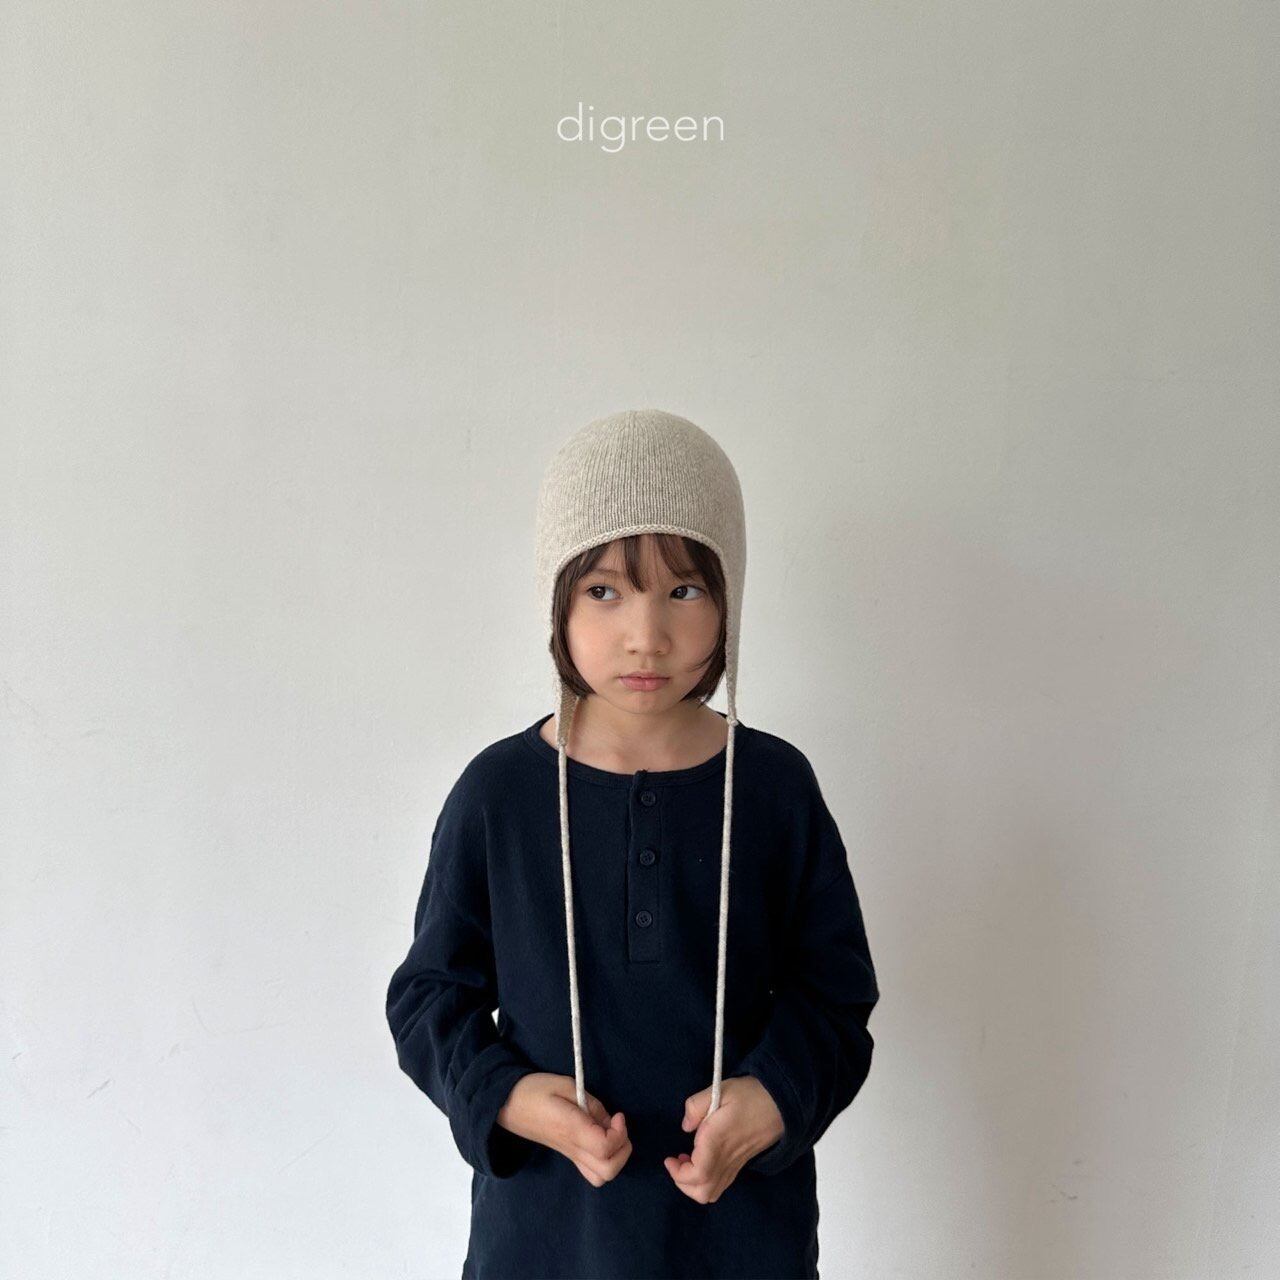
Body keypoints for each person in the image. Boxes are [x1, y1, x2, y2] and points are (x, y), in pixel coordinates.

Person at [386, 409, 880, 1279]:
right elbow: (429, 996)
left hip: (741, 1240)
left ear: (728, 601)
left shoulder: (774, 788)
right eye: (604, 591)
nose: (646, 634)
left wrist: (774, 1098)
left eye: (684, 590)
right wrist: (508, 1097)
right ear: (557, 601)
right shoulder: (499, 796)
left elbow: (835, 993)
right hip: (546, 1241)